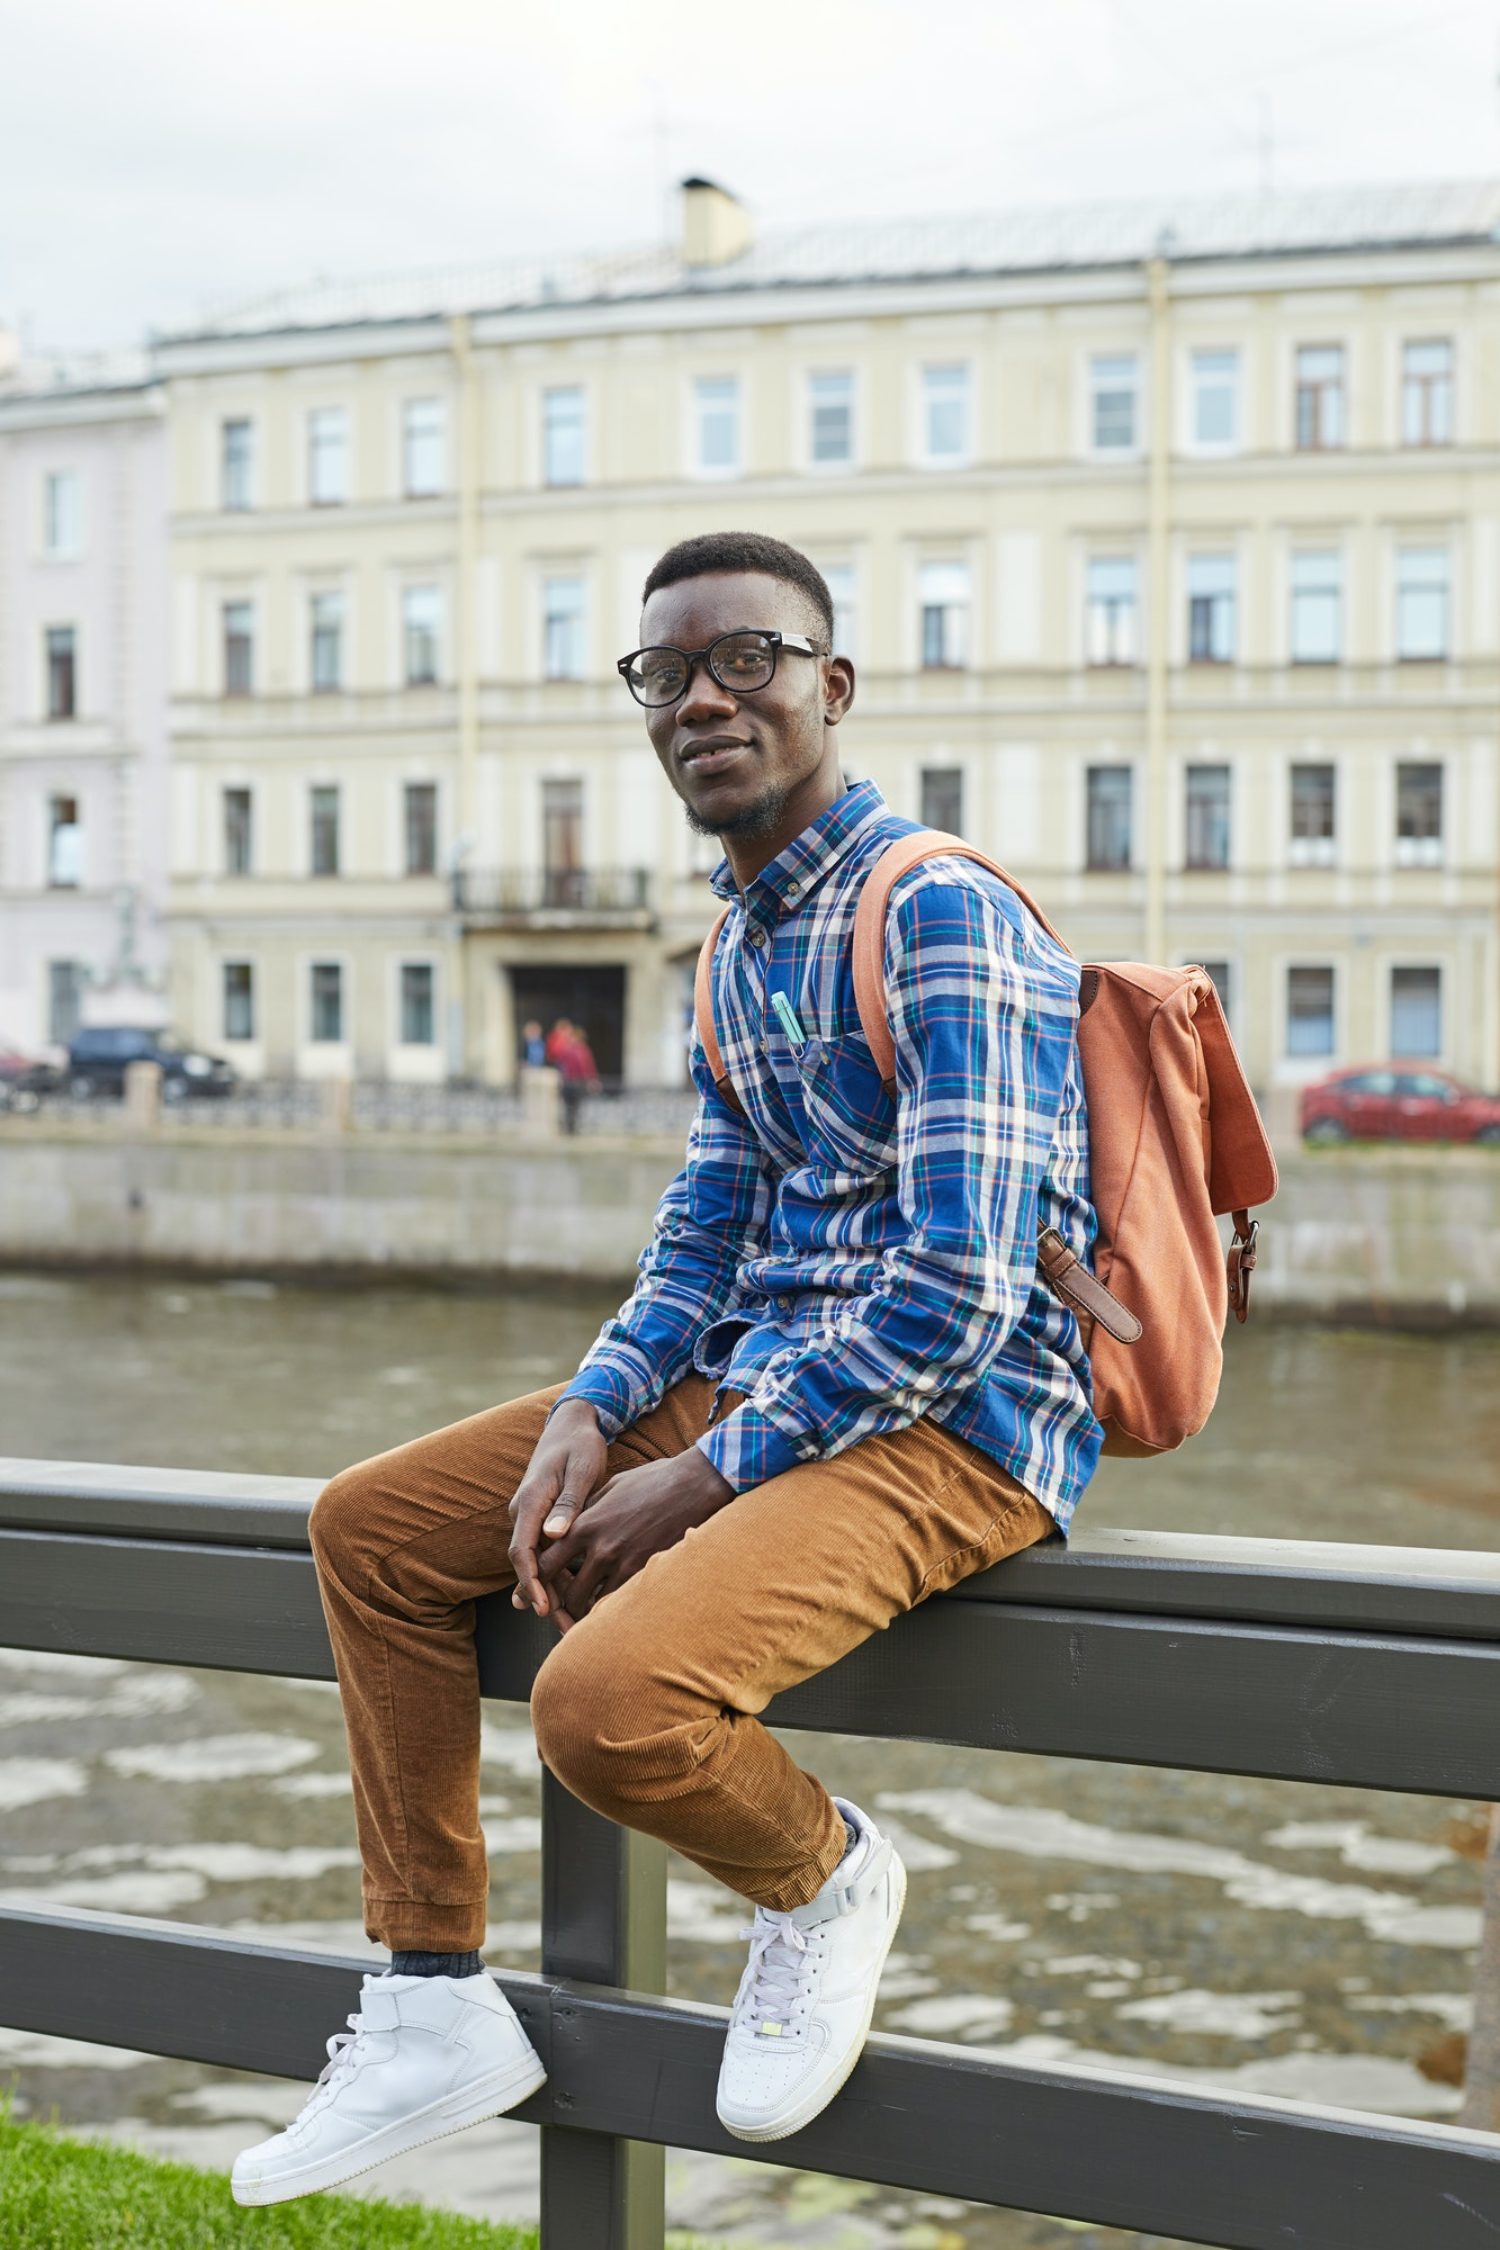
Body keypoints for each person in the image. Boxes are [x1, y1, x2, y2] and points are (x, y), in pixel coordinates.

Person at [231, 530, 1101, 2206]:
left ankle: (827, 1878)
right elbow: (701, 1236)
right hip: (776, 1378)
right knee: (374, 1532)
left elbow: (961, 1284)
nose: (703, 697)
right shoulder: (733, 938)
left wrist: (697, 1477)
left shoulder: (935, 910)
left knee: (607, 1700)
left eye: (747, 659)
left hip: (963, 1421)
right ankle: (431, 1997)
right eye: (666, 672)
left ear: (831, 688)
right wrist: (593, 1408)